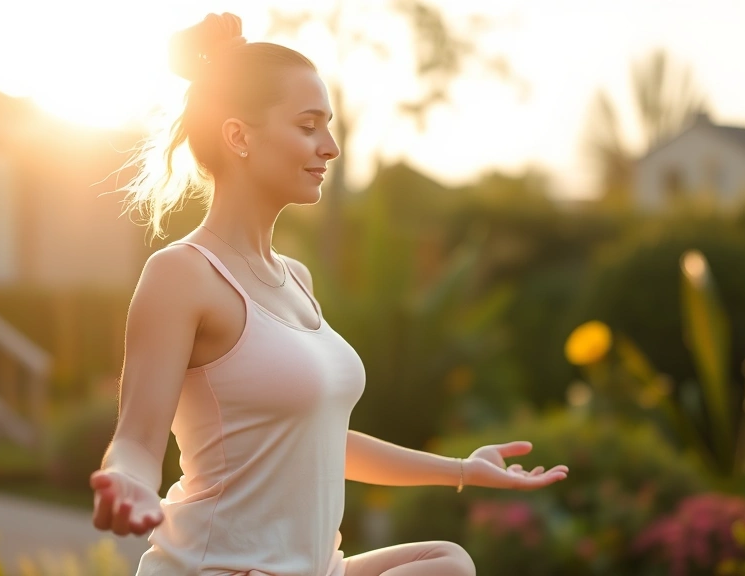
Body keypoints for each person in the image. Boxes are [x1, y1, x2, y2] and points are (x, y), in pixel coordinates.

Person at [89, 12, 568, 576]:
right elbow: (137, 441)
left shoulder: (296, 278)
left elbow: (319, 441)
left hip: (311, 568)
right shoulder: (182, 274)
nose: (331, 147)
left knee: (446, 563)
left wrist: (462, 469)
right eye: (309, 125)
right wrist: (128, 484)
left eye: (329, 126)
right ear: (239, 135)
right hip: (219, 569)